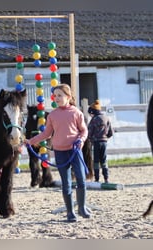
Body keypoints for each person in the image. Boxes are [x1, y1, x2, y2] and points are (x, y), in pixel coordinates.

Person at [24, 83, 91, 222]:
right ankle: (70, 212)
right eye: (55, 96)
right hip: (61, 153)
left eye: (60, 95)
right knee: (66, 183)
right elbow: (46, 134)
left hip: (75, 151)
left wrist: (81, 140)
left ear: (68, 96)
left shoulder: (76, 113)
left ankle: (82, 208)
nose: (57, 98)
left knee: (81, 179)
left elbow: (84, 130)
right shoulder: (52, 115)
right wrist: (31, 141)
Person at [87, 99, 113, 183]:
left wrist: (90, 139)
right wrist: (105, 137)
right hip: (104, 142)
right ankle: (106, 178)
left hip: (96, 142)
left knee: (96, 161)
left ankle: (97, 178)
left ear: (92, 112)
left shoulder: (93, 120)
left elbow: (89, 132)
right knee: (104, 160)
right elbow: (110, 132)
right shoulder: (106, 118)